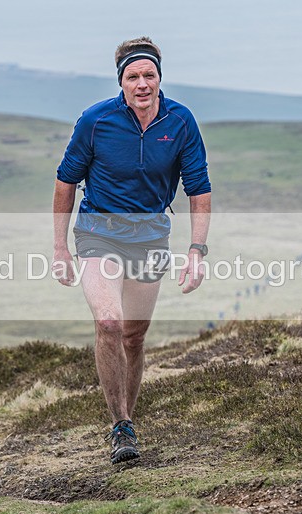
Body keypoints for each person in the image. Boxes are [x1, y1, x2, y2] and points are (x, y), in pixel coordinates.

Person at [52, 37, 211, 464]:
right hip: (97, 231)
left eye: (149, 75)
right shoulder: (96, 121)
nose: (142, 84)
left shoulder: (180, 122)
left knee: (134, 336)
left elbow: (198, 189)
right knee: (108, 321)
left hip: (151, 236)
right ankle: (120, 425)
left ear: (160, 78)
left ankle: (129, 420)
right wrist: (59, 248)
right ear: (121, 81)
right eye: (133, 76)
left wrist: (196, 249)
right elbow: (66, 180)